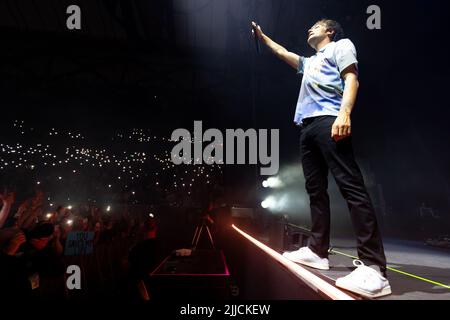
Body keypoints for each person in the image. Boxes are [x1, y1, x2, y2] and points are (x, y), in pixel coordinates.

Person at [252, 19, 391, 298]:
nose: (309, 29)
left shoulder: (341, 46)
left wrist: (345, 114)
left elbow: (352, 78)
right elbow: (282, 53)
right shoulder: (309, 62)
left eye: (316, 26)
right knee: (315, 191)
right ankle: (317, 251)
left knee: (351, 187)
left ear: (330, 31)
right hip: (307, 126)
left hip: (330, 119)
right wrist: (263, 36)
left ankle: (375, 268)